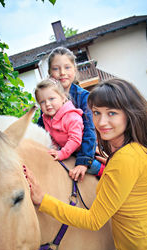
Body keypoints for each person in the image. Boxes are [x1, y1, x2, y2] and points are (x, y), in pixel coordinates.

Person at [25, 78, 147, 250]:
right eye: (96, 113)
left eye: (111, 113)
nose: (101, 121)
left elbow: (94, 220)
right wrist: (109, 166)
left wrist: (43, 200)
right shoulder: (132, 148)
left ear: (130, 113)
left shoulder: (125, 159)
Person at [37, 46, 104, 181]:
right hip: (64, 149)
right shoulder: (48, 100)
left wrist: (84, 161)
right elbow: (42, 127)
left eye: (67, 67)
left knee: (101, 165)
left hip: (87, 146)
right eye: (56, 69)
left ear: (74, 69)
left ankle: (110, 176)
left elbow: (89, 130)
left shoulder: (84, 97)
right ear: (50, 73)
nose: (62, 73)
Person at [35, 78, 84, 161]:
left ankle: (101, 169)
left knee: (92, 166)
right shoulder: (46, 118)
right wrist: (54, 147)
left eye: (51, 99)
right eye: (42, 102)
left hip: (81, 150)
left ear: (63, 98)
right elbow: (52, 136)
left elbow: (75, 139)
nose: (47, 104)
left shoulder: (71, 116)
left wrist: (62, 153)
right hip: (65, 150)